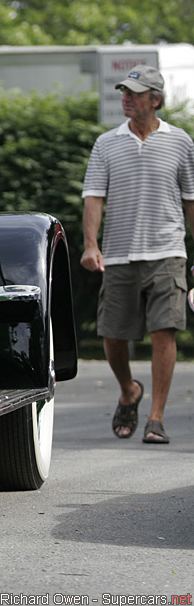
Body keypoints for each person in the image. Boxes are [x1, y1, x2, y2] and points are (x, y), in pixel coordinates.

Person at [80, 64, 194, 444]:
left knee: (164, 331)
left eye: (134, 93)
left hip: (167, 250)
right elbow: (94, 197)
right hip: (119, 253)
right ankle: (129, 389)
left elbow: (191, 202)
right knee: (113, 335)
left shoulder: (181, 142)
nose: (125, 98)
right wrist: (92, 245)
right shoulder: (106, 143)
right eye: (123, 92)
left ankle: (156, 417)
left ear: (155, 100)